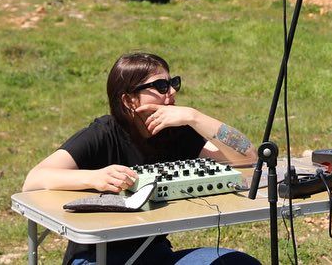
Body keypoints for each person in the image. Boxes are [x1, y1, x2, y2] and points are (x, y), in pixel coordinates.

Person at [23, 52, 262, 265]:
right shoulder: (104, 133)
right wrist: (95, 177)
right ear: (129, 100)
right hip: (97, 256)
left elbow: (247, 158)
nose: (172, 92)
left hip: (155, 254)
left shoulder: (178, 129)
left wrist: (194, 117)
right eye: (160, 86)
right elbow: (34, 179)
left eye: (172, 83)